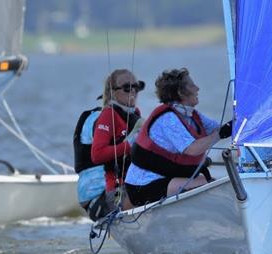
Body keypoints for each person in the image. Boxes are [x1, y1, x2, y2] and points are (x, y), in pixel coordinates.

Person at [125, 68, 232, 207]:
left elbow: (219, 129)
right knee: (207, 185)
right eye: (192, 85)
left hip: (165, 178)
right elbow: (192, 149)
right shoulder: (168, 119)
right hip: (143, 186)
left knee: (207, 182)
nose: (197, 88)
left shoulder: (192, 115)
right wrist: (220, 134)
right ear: (181, 92)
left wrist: (243, 123)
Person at [90, 68, 144, 212]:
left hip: (139, 183)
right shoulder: (109, 115)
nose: (133, 91)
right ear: (113, 92)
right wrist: (130, 144)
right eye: (127, 88)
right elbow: (97, 154)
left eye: (136, 87)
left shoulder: (135, 115)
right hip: (117, 190)